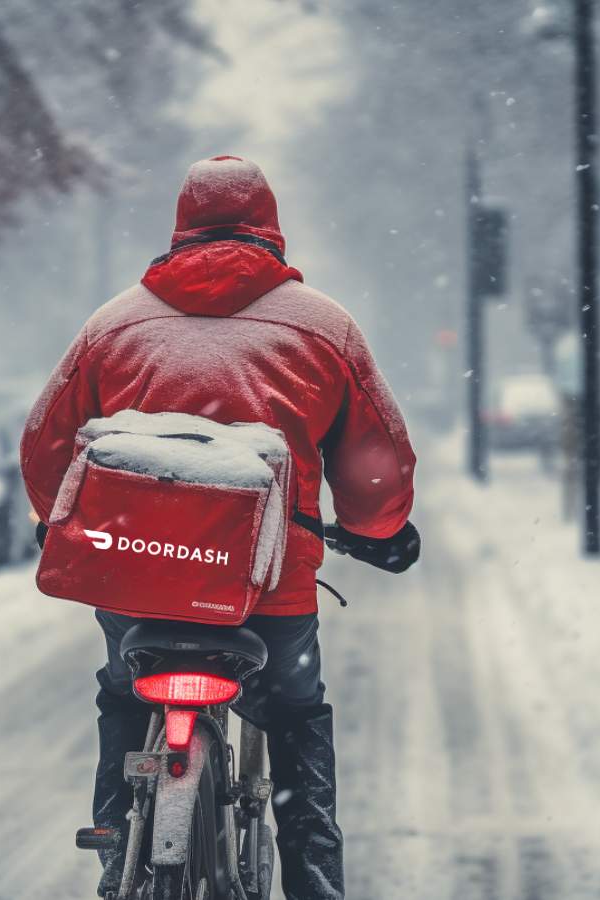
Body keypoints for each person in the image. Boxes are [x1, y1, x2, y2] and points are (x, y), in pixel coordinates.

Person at [21, 155, 419, 900]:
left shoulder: (114, 324)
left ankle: (117, 846)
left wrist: (58, 518)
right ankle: (313, 880)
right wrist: (377, 527)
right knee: (295, 715)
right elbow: (378, 466)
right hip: (267, 594)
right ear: (270, 228)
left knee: (124, 694)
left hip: (136, 580)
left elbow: (44, 445)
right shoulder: (324, 329)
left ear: (181, 227)